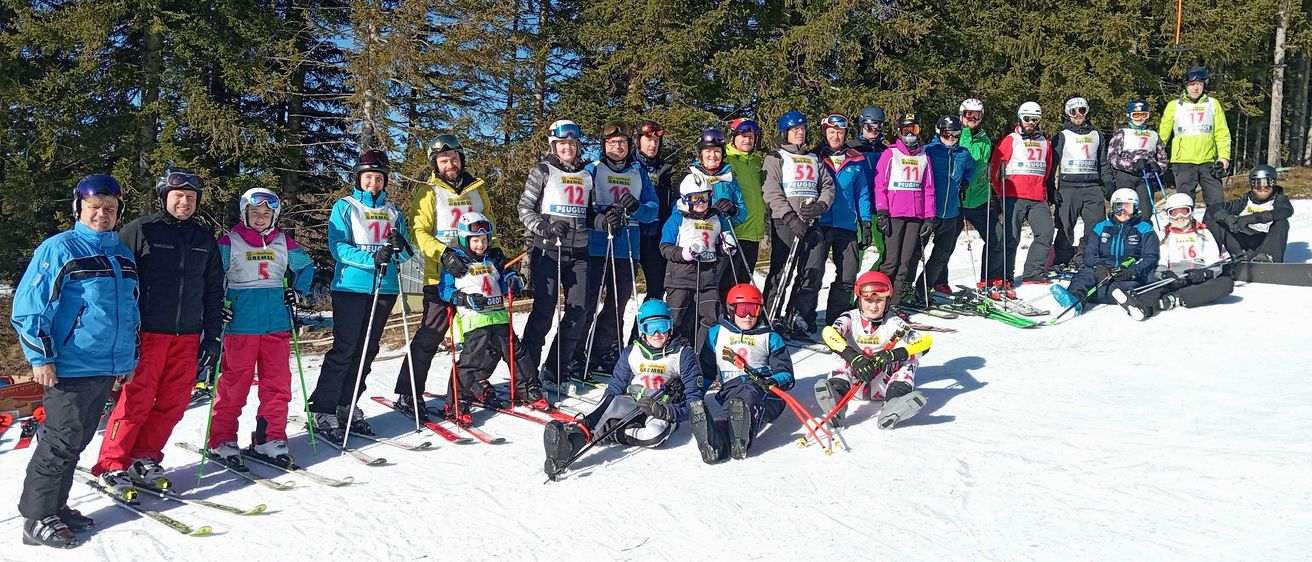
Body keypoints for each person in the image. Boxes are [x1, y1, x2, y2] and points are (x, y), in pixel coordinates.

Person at [13, 175, 140, 548]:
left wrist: (128, 358)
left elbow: (130, 310)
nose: (102, 214)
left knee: (77, 440)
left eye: (109, 208)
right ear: (79, 209)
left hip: (105, 365)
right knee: (59, 441)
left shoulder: (122, 254)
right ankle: (36, 518)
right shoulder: (60, 248)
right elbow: (30, 308)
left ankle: (57, 507)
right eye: (94, 207)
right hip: (68, 365)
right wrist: (41, 357)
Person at [92, 167, 223, 492]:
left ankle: (144, 457)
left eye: (190, 197)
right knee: (135, 401)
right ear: (165, 197)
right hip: (147, 334)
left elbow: (213, 290)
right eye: (178, 196)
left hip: (188, 336)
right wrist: (121, 334)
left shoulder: (204, 239)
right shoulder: (141, 230)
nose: (184, 202)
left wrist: (213, 336)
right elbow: (118, 283)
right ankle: (111, 464)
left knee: (173, 403)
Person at [306, 150, 414, 438]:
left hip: (385, 288)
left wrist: (400, 245)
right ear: (358, 178)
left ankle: (347, 403)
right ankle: (323, 408)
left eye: (378, 178)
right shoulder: (345, 206)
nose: (373, 183)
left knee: (367, 350)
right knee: (345, 348)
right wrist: (371, 259)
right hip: (351, 287)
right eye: (368, 177)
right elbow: (338, 247)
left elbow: (406, 255)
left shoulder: (394, 211)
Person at [205, 188, 315, 467]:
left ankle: (270, 437)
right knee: (234, 384)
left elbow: (306, 267)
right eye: (254, 212)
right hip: (241, 324)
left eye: (266, 213)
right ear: (244, 213)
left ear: (274, 216)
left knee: (277, 384)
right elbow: (211, 275)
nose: (260, 218)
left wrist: (298, 291)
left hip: (276, 322)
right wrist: (216, 305)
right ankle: (221, 439)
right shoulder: (230, 242)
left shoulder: (283, 241)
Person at [388, 135, 492, 421]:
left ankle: (473, 383)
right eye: (444, 161)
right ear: (436, 164)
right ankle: (409, 391)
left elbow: (489, 226)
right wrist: (444, 254)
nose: (450, 164)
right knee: (430, 336)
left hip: (475, 275)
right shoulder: (429, 192)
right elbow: (418, 232)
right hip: (440, 276)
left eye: (454, 159)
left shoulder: (477, 189)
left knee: (484, 334)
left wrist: (495, 254)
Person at [542, 300, 703, 478]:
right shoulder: (632, 352)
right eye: (650, 327)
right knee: (611, 401)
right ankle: (572, 441)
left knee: (654, 436)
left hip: (662, 409)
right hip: (635, 402)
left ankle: (610, 433)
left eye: (662, 326)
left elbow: (694, 402)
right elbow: (614, 389)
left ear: (670, 326)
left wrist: (667, 412)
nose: (656, 333)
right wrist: (602, 414)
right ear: (642, 329)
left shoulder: (682, 354)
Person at [570, 121, 657, 379]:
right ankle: (575, 354)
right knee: (587, 304)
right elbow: (579, 206)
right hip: (596, 246)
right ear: (604, 145)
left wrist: (637, 207)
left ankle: (601, 352)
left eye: (622, 142)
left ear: (629, 145)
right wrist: (600, 216)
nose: (618, 147)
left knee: (617, 305)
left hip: (626, 247)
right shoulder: (593, 169)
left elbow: (652, 210)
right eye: (612, 142)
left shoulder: (638, 172)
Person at [440, 213, 542, 422]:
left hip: (499, 316)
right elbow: (444, 290)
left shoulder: (492, 258)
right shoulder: (457, 263)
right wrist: (464, 299)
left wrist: (513, 280)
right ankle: (457, 403)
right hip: (475, 319)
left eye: (484, 240)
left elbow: (502, 279)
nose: (481, 245)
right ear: (464, 239)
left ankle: (528, 390)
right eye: (475, 240)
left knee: (516, 353)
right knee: (470, 361)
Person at [517, 119, 596, 386]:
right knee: (544, 312)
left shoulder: (587, 174)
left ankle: (555, 369)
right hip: (548, 250)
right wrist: (546, 227)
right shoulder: (543, 170)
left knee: (579, 311)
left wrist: (606, 219)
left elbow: (590, 213)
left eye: (572, 143)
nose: (567, 148)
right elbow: (524, 209)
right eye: (562, 143)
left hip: (579, 251)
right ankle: (527, 374)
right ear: (554, 145)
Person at [688, 284, 795, 463]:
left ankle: (743, 437)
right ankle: (717, 443)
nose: (748, 316)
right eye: (742, 310)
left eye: (754, 310)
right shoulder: (716, 334)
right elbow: (706, 371)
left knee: (748, 392)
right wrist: (694, 397)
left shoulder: (770, 337)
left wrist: (774, 381)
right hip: (732, 390)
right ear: (731, 310)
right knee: (733, 405)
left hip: (767, 393)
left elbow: (787, 374)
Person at [816, 271, 933, 430]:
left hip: (884, 386)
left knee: (910, 359)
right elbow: (829, 333)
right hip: (853, 384)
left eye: (879, 301)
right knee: (840, 354)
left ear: (888, 300)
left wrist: (894, 355)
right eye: (868, 300)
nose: (873, 306)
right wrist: (853, 357)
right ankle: (836, 401)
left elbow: (925, 342)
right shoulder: (850, 317)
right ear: (859, 299)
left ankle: (894, 405)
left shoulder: (894, 321)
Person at [761, 111, 836, 338]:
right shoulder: (776, 157)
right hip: (786, 222)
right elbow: (771, 191)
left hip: (811, 220)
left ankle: (798, 315)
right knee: (782, 271)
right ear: (785, 133)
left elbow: (828, 186)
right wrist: (789, 218)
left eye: (802, 129)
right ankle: (770, 316)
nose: (800, 133)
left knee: (812, 270)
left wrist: (820, 206)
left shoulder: (814, 158)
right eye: (795, 130)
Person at [795, 113, 871, 328]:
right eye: (831, 132)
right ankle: (804, 317)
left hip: (846, 224)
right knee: (813, 272)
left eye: (840, 132)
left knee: (848, 275)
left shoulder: (856, 158)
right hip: (819, 223)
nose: (835, 136)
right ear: (824, 133)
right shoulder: (813, 156)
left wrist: (865, 222)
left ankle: (837, 318)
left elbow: (862, 192)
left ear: (846, 134)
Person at [1111, 193, 1234, 320]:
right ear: (1168, 215)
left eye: (1184, 212)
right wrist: (1165, 274)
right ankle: (1143, 306)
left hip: (1198, 278)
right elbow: (1160, 262)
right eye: (1174, 213)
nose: (1179, 217)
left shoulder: (1203, 233)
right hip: (1174, 278)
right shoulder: (1163, 235)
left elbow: (1214, 263)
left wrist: (1204, 273)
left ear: (1191, 212)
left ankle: (1174, 298)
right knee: (1157, 287)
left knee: (1226, 283)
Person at [1050, 188, 1160, 315]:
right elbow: (1089, 253)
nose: (1123, 212)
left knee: (1130, 287)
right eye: (1119, 207)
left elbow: (1150, 256)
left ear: (1135, 208)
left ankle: (1102, 294)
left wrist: (1132, 271)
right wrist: (1099, 266)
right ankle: (1075, 300)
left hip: (1127, 273)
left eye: (1128, 208)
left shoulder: (1144, 229)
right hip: (1103, 270)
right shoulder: (1101, 227)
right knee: (1084, 275)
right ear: (1113, 207)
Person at [660, 174, 736, 351]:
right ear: (686, 199)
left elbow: (720, 243)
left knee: (713, 317)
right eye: (695, 198)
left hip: (707, 279)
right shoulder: (678, 219)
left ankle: (702, 355)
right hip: (680, 278)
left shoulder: (716, 218)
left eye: (705, 196)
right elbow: (665, 247)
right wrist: (685, 253)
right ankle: (670, 355)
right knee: (676, 319)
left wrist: (726, 247)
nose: (701, 202)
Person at [991, 102, 1055, 293]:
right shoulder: (1011, 139)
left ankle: (1033, 271)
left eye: (1035, 119)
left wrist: (1044, 190)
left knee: (1046, 233)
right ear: (1020, 118)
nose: (1031, 123)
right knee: (1011, 237)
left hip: (1037, 197)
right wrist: (1000, 193)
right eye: (1027, 119)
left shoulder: (1045, 142)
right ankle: (1005, 275)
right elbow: (996, 169)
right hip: (1014, 196)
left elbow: (1047, 169)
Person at [874, 113, 937, 308]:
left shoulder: (924, 157)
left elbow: (929, 188)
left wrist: (929, 217)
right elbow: (880, 184)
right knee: (891, 261)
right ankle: (879, 301)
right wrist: (882, 212)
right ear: (899, 132)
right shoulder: (891, 154)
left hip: (915, 216)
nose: (910, 134)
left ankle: (894, 303)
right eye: (906, 130)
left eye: (914, 129)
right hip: (894, 215)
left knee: (905, 263)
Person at [1049, 97, 1114, 271]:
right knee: (1065, 226)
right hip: (1068, 187)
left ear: (1087, 112)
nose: (1078, 115)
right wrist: (1051, 188)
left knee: (1096, 226)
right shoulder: (1062, 136)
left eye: (1082, 111)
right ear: (1067, 114)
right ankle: (1062, 259)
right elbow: (1052, 165)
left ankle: (1086, 257)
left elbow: (1103, 162)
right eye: (1073, 112)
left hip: (1092, 186)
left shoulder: (1096, 135)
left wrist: (1108, 181)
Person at [684, 127, 747, 296]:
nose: (712, 156)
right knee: (698, 286)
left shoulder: (729, 177)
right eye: (708, 151)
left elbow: (743, 211)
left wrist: (733, 210)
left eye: (717, 151)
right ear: (701, 154)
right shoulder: (691, 176)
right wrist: (705, 212)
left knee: (723, 287)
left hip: (723, 241)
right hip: (699, 240)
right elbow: (680, 208)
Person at [919, 115, 976, 296]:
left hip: (951, 212)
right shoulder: (928, 151)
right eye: (946, 134)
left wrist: (966, 181)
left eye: (955, 134)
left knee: (942, 254)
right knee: (915, 253)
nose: (951, 138)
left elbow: (971, 168)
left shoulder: (963, 154)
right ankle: (903, 289)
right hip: (928, 213)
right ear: (939, 132)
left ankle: (923, 289)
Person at [1159, 66, 1232, 208]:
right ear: (1186, 86)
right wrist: (1155, 157)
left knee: (1217, 203)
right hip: (1183, 162)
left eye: (1199, 84)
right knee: (1184, 204)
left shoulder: (1213, 104)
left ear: (1204, 85)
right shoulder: (1174, 106)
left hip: (1208, 161)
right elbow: (1163, 135)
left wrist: (1224, 158)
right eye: (1192, 84)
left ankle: (1216, 223)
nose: (1195, 88)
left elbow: (1222, 133)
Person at [957, 98, 1006, 297]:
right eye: (968, 114)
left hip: (979, 200)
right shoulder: (955, 135)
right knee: (945, 245)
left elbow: (987, 170)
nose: (973, 119)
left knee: (997, 236)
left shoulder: (985, 140)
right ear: (961, 115)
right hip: (957, 201)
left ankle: (990, 278)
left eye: (977, 115)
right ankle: (937, 281)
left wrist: (994, 198)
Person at [1208, 164, 1293, 262]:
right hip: (1244, 247)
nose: (1262, 188)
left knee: (1282, 222)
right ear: (1251, 185)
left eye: (1267, 183)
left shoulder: (1279, 199)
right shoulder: (1245, 201)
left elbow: (1285, 211)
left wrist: (1250, 219)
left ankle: (1267, 260)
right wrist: (1228, 218)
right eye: (1257, 184)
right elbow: (1215, 208)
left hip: (1265, 244)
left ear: (1273, 183)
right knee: (1217, 220)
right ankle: (1211, 259)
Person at [633, 120, 676, 309]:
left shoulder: (663, 170)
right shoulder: (629, 166)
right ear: (637, 141)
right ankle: (610, 329)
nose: (653, 145)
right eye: (648, 140)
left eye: (656, 141)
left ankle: (646, 326)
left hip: (655, 236)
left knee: (657, 289)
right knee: (622, 290)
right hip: (633, 233)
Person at [1107, 99, 1170, 224]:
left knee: (1145, 213)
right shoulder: (1122, 133)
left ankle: (1144, 233)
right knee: (1126, 211)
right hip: (1126, 177)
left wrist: (1159, 167)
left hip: (1145, 178)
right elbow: (1112, 157)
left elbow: (1163, 158)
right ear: (1129, 115)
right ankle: (1125, 232)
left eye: (1144, 115)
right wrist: (1132, 165)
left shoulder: (1153, 134)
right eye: (1136, 115)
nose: (1140, 118)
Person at [723, 118, 768, 286]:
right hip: (734, 231)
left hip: (754, 232)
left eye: (751, 137)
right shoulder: (726, 160)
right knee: (728, 282)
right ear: (733, 137)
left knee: (744, 282)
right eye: (743, 136)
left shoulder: (756, 161)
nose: (748, 140)